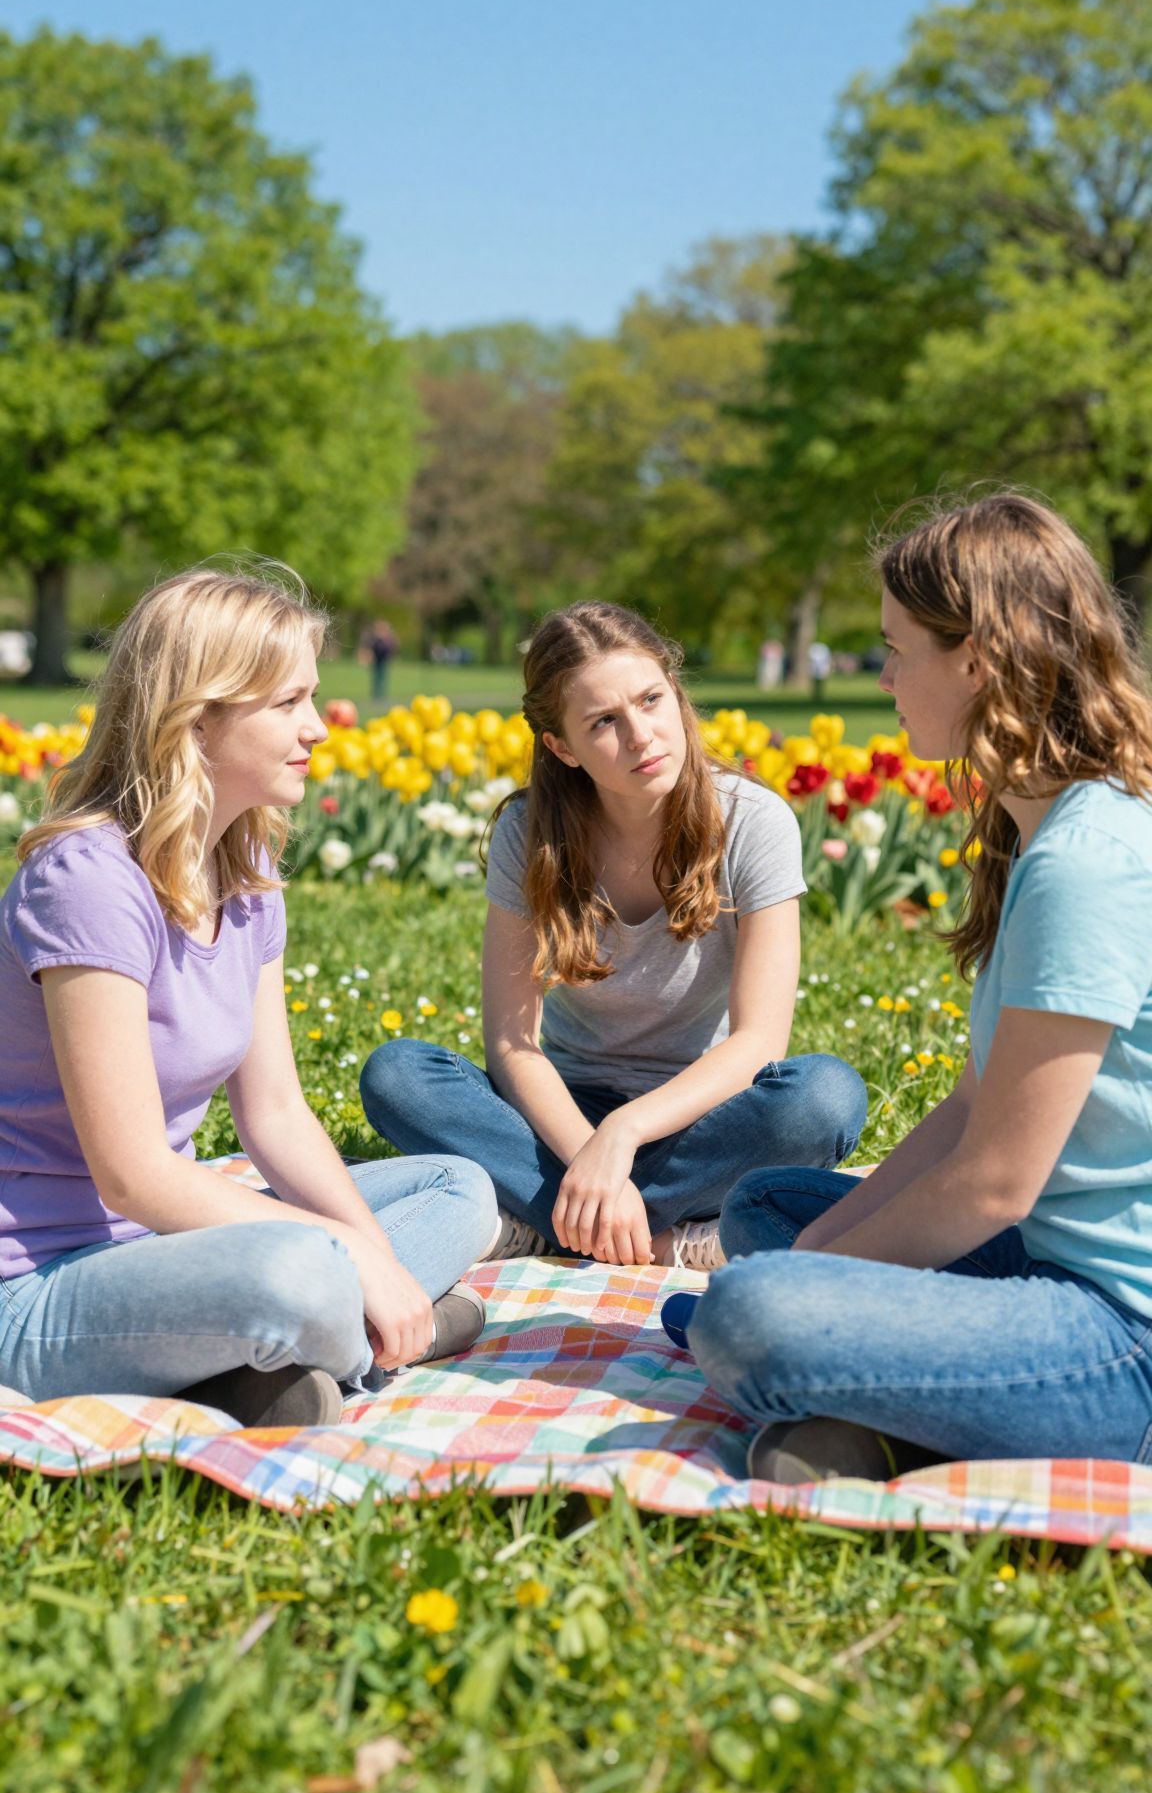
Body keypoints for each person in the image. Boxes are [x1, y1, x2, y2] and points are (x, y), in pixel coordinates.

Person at [671, 492, 1152, 1482]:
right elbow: (973, 1107)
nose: (883, 675)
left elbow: (995, 1181)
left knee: (747, 1313)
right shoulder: (1045, 829)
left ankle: (918, 1407)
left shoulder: (1087, 861)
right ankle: (901, 1415)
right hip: (1042, 1255)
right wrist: (813, 1259)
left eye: (897, 649)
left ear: (977, 660)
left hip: (1122, 1332)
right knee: (768, 1208)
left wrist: (805, 1285)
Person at [0, 568, 497, 1427]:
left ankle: (274, 1359)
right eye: (289, 702)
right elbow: (131, 1176)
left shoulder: (245, 870)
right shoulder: (86, 881)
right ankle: (361, 1336)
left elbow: (275, 1114)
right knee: (298, 1273)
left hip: (170, 1244)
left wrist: (371, 1253)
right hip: (35, 1283)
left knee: (459, 1188)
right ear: (197, 719)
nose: (318, 728)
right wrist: (344, 1252)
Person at [360, 601, 866, 1271]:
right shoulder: (529, 834)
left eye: (651, 700)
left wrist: (623, 1135)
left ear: (676, 694)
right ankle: (659, 1236)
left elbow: (758, 1043)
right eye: (604, 721)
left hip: (704, 1114)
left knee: (825, 1098)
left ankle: (550, 1224)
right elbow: (512, 1043)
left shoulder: (753, 821)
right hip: (564, 1115)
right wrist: (588, 1149)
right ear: (562, 748)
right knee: (398, 1076)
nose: (641, 736)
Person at [359, 617, 399, 704]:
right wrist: (367, 658)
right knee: (376, 678)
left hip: (384, 661)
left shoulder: (388, 638)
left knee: (383, 678)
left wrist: (392, 658)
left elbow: (392, 648)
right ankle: (376, 696)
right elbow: (369, 648)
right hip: (376, 660)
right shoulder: (375, 638)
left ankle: (382, 696)